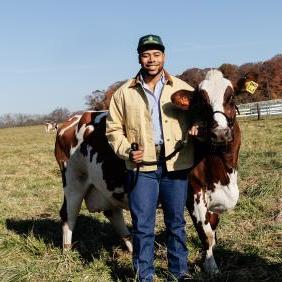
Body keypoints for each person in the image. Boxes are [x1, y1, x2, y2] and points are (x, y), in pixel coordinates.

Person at [106, 34, 195, 281]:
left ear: (164, 56)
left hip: (176, 163)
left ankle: (179, 272)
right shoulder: (123, 93)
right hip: (141, 167)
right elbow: (113, 130)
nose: (151, 59)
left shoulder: (183, 89)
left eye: (156, 54)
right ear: (139, 58)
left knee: (176, 223)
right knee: (143, 226)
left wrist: (196, 125)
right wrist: (126, 150)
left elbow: (199, 116)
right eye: (146, 55)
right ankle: (144, 275)